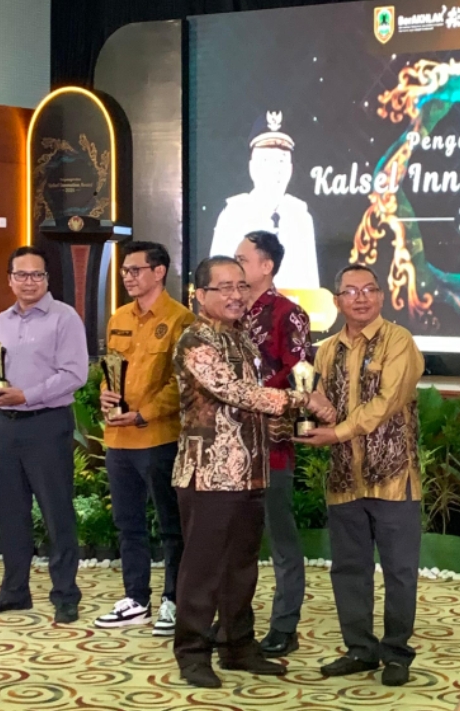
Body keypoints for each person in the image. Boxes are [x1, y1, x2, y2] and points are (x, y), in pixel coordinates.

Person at [172, 255, 335, 689]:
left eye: (241, 286)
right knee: (203, 570)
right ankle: (192, 654)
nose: (236, 295)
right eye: (223, 287)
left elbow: (250, 407)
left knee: (241, 568)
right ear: (200, 295)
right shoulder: (194, 340)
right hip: (208, 476)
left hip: (252, 472)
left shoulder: (242, 338)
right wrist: (301, 400)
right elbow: (235, 392)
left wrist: (281, 424)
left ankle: (238, 647)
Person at [304, 264, 424, 687]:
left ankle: (396, 654)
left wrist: (336, 431)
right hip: (344, 478)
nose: (361, 298)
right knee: (349, 569)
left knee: (399, 571)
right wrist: (312, 410)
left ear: (382, 296)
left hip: (393, 477)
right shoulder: (326, 350)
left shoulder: (399, 341)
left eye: (369, 289)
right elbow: (320, 398)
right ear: (337, 301)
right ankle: (359, 649)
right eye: (351, 291)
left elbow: (387, 402)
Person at [0, 246, 88, 623]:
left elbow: (74, 374)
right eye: (21, 275)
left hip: (47, 423)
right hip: (5, 425)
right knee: (11, 511)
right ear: (10, 280)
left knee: (57, 512)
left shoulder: (64, 318)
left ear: (47, 279)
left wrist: (26, 395)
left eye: (36, 275)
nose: (29, 282)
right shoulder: (1, 322)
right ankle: (14, 591)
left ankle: (65, 594)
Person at [94, 241, 195, 635]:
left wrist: (143, 414)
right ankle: (136, 598)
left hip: (159, 438)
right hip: (118, 440)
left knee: (171, 525)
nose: (128, 277)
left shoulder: (181, 320)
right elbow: (111, 372)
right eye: (125, 271)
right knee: (128, 524)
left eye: (135, 270)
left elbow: (181, 384)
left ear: (159, 272)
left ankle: (174, 599)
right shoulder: (119, 317)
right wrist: (106, 395)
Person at [235, 231, 311, 657]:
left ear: (266, 266)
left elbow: (300, 373)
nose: (236, 266)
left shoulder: (288, 314)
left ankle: (285, 624)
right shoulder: (227, 312)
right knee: (231, 536)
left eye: (243, 259)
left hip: (271, 442)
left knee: (280, 537)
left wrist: (248, 393)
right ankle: (233, 619)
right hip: (227, 446)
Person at [210, 110, 319, 291]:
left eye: (281, 161)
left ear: (291, 169)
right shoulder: (232, 215)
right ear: (252, 168)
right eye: (267, 160)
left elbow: (312, 288)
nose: (276, 170)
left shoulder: (301, 217)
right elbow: (216, 284)